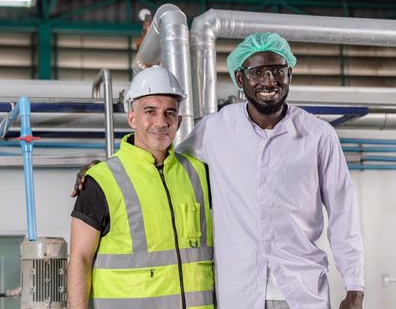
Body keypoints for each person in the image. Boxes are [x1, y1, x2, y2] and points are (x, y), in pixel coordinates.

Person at [177, 32, 364, 309]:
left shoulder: (318, 135)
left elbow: (343, 212)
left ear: (289, 73)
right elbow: (167, 163)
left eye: (278, 70)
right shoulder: (216, 129)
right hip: (239, 290)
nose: (269, 81)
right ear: (240, 79)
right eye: (257, 71)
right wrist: (106, 169)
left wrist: (355, 286)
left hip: (301, 290)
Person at [67, 65, 215, 309]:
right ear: (132, 117)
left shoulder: (200, 173)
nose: (161, 122)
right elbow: (80, 260)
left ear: (178, 121)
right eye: (150, 111)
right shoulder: (101, 180)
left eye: (169, 113)